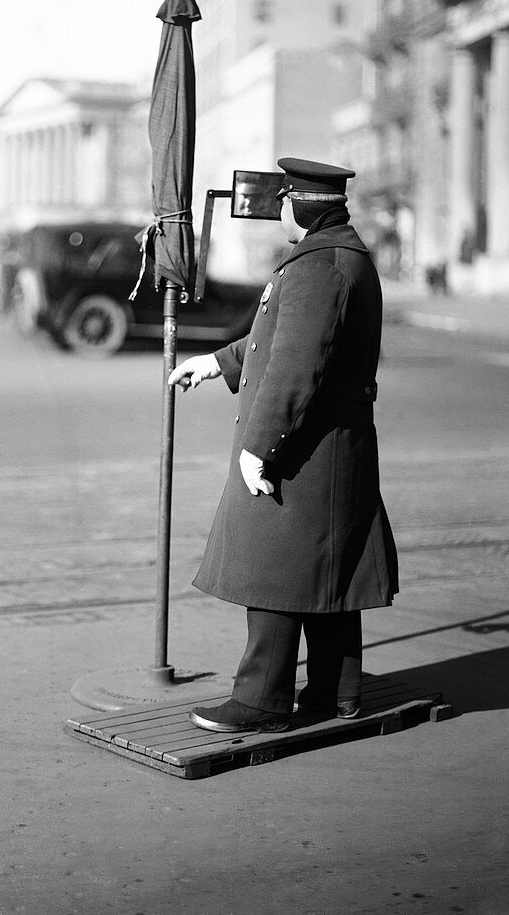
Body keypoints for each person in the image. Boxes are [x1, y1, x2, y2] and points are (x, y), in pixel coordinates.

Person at [168, 157, 399, 734]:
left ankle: (262, 702)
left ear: (303, 206)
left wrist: (260, 446)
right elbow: (273, 338)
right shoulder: (338, 259)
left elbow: (298, 365)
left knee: (273, 567)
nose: (280, 218)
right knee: (328, 572)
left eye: (286, 205)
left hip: (305, 448)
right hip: (331, 448)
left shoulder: (321, 268)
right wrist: (217, 362)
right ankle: (334, 692)